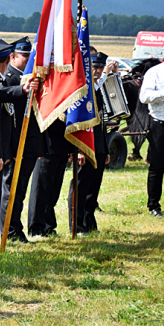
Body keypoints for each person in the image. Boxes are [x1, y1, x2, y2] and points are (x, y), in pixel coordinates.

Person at [0, 37, 41, 243]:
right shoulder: (9, 78)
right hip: (16, 142)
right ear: (12, 57)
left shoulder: (29, 77)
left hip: (29, 142)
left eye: (29, 55)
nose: (28, 60)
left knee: (20, 189)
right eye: (24, 56)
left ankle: (16, 227)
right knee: (11, 189)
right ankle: (10, 230)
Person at [67, 52, 114, 232]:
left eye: (100, 68)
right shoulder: (82, 90)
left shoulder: (97, 88)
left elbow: (101, 121)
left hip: (98, 144)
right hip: (85, 146)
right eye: (93, 67)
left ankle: (89, 222)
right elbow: (77, 122)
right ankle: (77, 224)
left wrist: (105, 148)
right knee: (80, 186)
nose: (96, 71)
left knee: (93, 186)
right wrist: (78, 149)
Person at [139, 36, 164, 217]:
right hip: (161, 127)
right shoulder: (155, 72)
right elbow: (144, 96)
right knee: (157, 168)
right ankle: (154, 206)